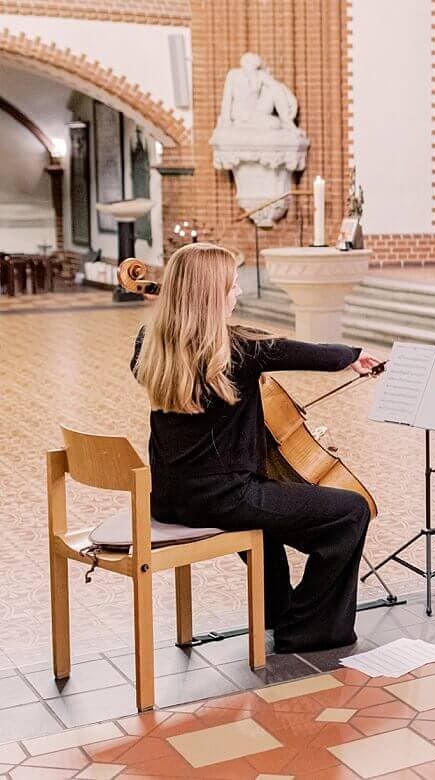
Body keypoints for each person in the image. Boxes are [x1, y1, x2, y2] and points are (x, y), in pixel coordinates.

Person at [131, 243, 379, 653]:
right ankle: (307, 629)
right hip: (225, 498)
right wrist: (352, 356)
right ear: (212, 296)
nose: (238, 293)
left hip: (168, 499)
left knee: (268, 518)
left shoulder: (150, 343)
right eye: (232, 286)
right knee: (349, 512)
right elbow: (306, 352)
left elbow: (187, 336)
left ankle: (278, 611)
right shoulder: (238, 350)